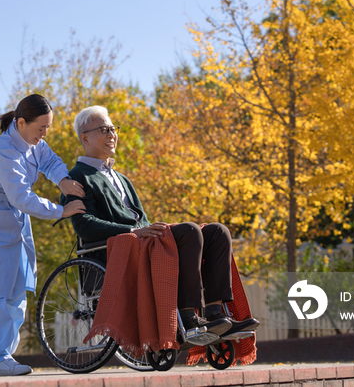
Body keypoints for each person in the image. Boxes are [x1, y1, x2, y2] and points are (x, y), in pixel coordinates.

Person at [61, 105, 259, 335]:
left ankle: (217, 314)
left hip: (145, 240)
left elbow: (142, 219)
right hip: (118, 250)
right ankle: (188, 315)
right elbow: (84, 226)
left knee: (217, 231)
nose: (112, 134)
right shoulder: (76, 177)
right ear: (84, 137)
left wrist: (146, 229)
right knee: (190, 231)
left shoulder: (121, 178)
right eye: (104, 129)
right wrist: (131, 232)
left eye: (113, 129)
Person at [0, 94, 86, 377]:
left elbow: (50, 160)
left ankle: (5, 356)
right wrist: (61, 210)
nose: (44, 135)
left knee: (18, 293)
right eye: (40, 128)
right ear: (21, 123)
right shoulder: (4, 151)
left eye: (48, 129)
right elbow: (21, 197)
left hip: (15, 227)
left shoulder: (33, 143)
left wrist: (64, 180)